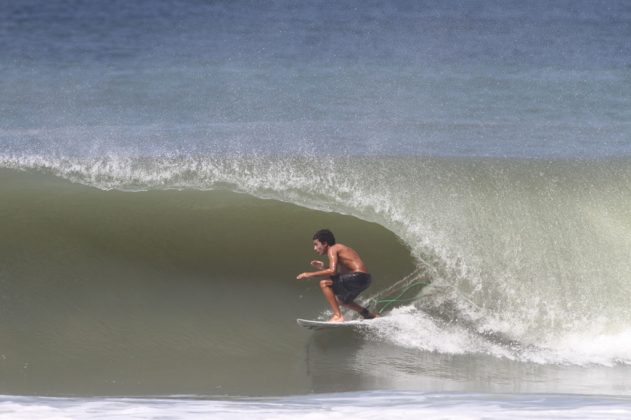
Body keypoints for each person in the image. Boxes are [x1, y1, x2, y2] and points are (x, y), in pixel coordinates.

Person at [297, 229, 378, 322]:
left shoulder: (333, 249)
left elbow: (332, 271)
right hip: (364, 279)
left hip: (358, 277)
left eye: (316, 244)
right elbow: (339, 275)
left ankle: (337, 316)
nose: (314, 248)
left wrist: (309, 274)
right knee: (342, 301)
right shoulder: (341, 250)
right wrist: (324, 267)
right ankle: (368, 314)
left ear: (325, 243)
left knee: (324, 283)